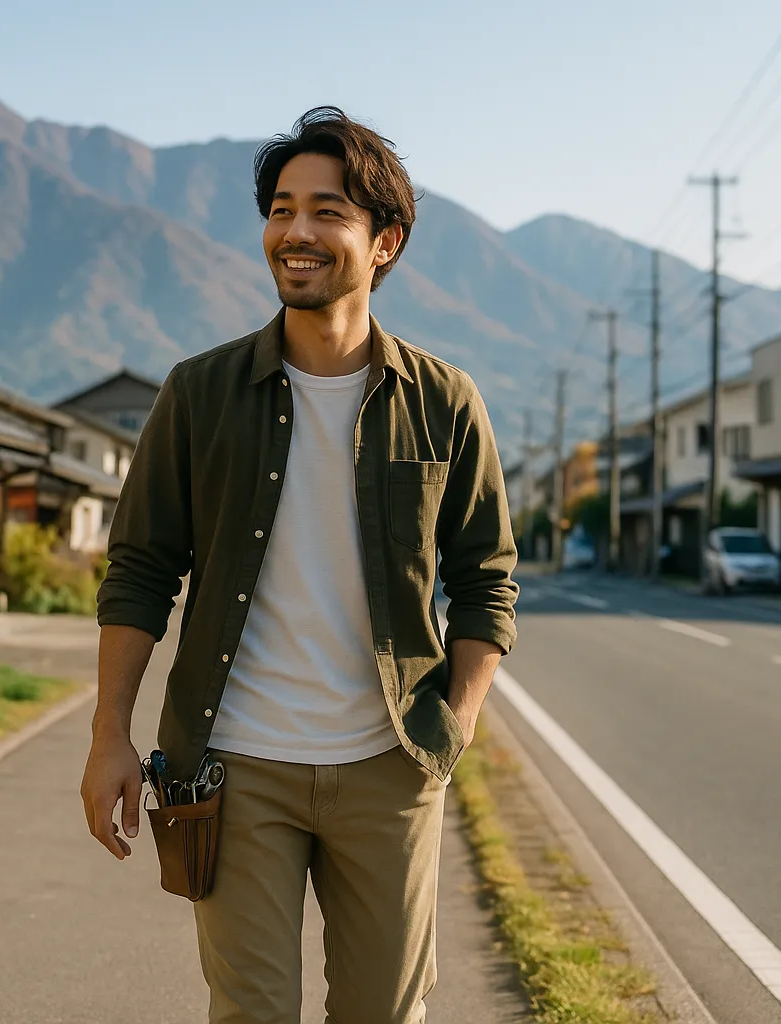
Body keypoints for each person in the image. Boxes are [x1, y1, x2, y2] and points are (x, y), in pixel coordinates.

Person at [81, 106, 519, 1024]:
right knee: (252, 1013)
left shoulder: (444, 400)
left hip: (391, 762)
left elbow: (486, 579)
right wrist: (108, 732)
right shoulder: (200, 393)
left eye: (327, 211)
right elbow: (140, 571)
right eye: (281, 210)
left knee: (384, 1013)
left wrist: (457, 725)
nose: (296, 231)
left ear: (384, 241)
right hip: (234, 765)